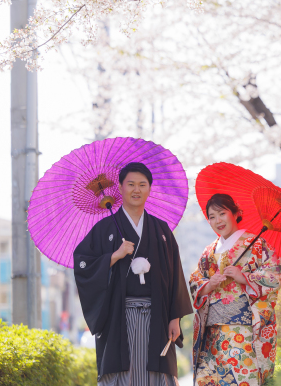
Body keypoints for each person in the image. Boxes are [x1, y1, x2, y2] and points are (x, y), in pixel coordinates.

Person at [74, 162, 193, 385]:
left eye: (142, 184)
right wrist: (114, 256)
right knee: (123, 373)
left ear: (149, 188)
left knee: (155, 373)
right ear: (120, 188)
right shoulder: (104, 229)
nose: (136, 190)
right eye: (130, 184)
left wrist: (174, 317)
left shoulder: (161, 230)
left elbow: (175, 273)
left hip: (157, 316)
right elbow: (82, 264)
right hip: (118, 315)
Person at [189, 194, 281, 386]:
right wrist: (209, 284)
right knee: (209, 380)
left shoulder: (257, 245)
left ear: (236, 213)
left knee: (242, 378)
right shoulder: (208, 252)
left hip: (242, 331)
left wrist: (245, 277)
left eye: (222, 213)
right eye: (212, 217)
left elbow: (275, 275)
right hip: (211, 333)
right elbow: (195, 280)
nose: (217, 221)